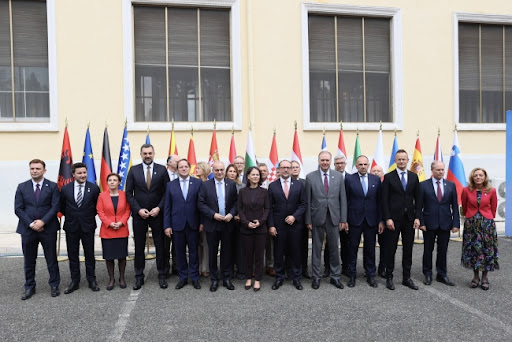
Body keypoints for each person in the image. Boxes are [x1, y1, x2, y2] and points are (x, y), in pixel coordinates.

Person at [125, 144, 170, 290]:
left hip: (158, 214)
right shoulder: (133, 170)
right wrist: (138, 210)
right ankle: (139, 276)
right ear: (141, 154)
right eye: (145, 153)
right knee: (139, 247)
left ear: (154, 153)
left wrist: (158, 208)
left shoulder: (162, 170)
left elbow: (166, 193)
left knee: (161, 246)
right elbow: (128, 193)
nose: (147, 155)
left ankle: (162, 275)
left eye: (150, 153)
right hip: (140, 216)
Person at [15, 159, 61, 300]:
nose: (34, 171)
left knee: (51, 258)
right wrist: (31, 224)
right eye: (32, 168)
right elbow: (18, 208)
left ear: (44, 170)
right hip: (28, 230)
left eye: (38, 168)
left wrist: (42, 222)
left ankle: (54, 285)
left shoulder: (52, 187)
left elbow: (55, 207)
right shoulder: (22, 187)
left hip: (48, 229)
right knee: (29, 260)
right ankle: (29, 287)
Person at [305, 151, 347, 290]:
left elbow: (343, 199)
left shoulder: (338, 176)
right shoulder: (310, 177)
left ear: (330, 162)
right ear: (318, 161)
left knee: (334, 248)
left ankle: (335, 277)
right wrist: (308, 219)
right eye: (322, 160)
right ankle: (316, 277)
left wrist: (343, 219)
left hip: (334, 217)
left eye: (327, 160)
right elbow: (308, 200)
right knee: (316, 249)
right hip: (317, 217)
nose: (324, 162)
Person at [382, 149, 421, 290]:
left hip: (409, 219)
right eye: (399, 159)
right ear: (395, 161)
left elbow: (418, 199)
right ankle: (389, 277)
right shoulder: (388, 177)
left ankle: (406, 278)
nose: (401, 161)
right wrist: (387, 218)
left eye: (404, 159)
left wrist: (417, 217)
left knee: (408, 249)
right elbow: (384, 200)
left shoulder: (413, 177)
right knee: (390, 248)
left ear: (408, 160)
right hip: (393, 219)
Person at [60, 162, 101, 294]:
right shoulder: (65, 189)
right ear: (73, 174)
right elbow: (62, 207)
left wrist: (85, 216)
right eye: (79, 173)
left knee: (89, 254)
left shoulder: (94, 188)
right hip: (71, 226)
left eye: (84, 173)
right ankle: (75, 281)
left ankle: (92, 280)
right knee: (73, 255)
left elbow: (96, 207)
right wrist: (74, 216)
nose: (83, 175)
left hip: (88, 226)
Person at [198, 161, 238, 291]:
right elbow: (201, 204)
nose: (219, 172)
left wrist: (231, 214)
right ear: (212, 171)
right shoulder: (205, 185)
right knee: (212, 253)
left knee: (227, 252)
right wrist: (213, 215)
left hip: (227, 224)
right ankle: (214, 279)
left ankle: (226, 278)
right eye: (217, 170)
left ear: (224, 171)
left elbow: (236, 203)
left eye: (221, 170)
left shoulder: (231, 184)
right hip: (212, 223)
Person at [344, 156, 384, 288]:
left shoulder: (376, 179)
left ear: (368, 165)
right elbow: (345, 201)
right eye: (360, 164)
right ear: (356, 166)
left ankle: (370, 274)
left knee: (370, 248)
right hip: (354, 220)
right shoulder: (349, 179)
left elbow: (379, 202)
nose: (362, 166)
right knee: (352, 248)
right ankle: (352, 275)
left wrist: (380, 221)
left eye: (365, 164)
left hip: (371, 220)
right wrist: (345, 220)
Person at [419, 161, 460, 286]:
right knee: (428, 250)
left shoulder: (451, 185)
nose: (441, 172)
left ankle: (442, 274)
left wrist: (456, 224)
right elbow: (419, 206)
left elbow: (454, 205)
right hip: (429, 223)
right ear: (432, 170)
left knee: (443, 250)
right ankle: (427, 273)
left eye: (442, 170)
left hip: (445, 223)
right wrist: (421, 222)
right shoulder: (423, 185)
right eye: (438, 170)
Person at [268, 160, 307, 290]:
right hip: (279, 226)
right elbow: (270, 208)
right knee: (278, 252)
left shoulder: (299, 185)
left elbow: (303, 204)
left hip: (295, 225)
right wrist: (271, 225)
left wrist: (294, 216)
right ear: (278, 169)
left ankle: (296, 277)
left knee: (295, 252)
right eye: (283, 167)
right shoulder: (272, 186)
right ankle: (279, 277)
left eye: (288, 168)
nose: (285, 170)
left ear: (291, 169)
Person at [164, 159, 203, 290]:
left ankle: (195, 278)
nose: (183, 169)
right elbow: (167, 207)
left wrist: (202, 222)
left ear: (189, 168)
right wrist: (167, 225)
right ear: (177, 169)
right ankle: (183, 277)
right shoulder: (171, 185)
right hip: (177, 224)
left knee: (193, 252)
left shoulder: (197, 183)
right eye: (181, 167)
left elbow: (201, 205)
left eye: (186, 166)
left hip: (193, 224)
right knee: (179, 253)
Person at [461, 167, 499, 291]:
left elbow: (493, 208)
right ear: (472, 177)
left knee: (487, 250)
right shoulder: (466, 190)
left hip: (487, 225)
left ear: (485, 177)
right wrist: (471, 217)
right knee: (474, 250)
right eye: (476, 175)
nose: (478, 177)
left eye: (480, 175)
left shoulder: (492, 191)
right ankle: (475, 277)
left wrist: (487, 218)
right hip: (471, 224)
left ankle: (484, 278)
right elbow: (465, 207)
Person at [96, 173, 131, 290]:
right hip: (107, 230)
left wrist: (121, 222)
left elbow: (127, 210)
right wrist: (109, 223)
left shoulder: (124, 195)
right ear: (107, 182)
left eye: (114, 180)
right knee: (109, 256)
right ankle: (111, 278)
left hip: (121, 229)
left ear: (119, 182)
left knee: (122, 256)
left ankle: (122, 277)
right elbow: (100, 211)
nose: (112, 182)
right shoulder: (102, 196)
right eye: (110, 180)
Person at [237, 166, 270, 291]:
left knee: (259, 255)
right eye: (253, 174)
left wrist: (261, 222)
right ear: (248, 177)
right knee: (248, 254)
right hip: (246, 228)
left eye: (258, 174)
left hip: (260, 229)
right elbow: (240, 208)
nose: (256, 176)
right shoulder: (242, 192)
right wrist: (246, 222)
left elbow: (267, 209)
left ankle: (257, 279)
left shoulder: (264, 192)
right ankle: (248, 278)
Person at [323, 154, 350, 278]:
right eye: (337, 163)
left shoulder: (351, 178)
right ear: (334, 165)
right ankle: (327, 268)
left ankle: (345, 267)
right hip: (331, 216)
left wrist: (346, 219)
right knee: (330, 243)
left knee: (346, 243)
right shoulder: (330, 178)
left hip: (348, 217)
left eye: (342, 163)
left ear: (345, 164)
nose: (340, 165)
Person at [226, 163, 246, 279]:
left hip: (239, 220)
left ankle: (241, 270)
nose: (232, 173)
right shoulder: (223, 185)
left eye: (234, 172)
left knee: (240, 246)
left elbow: (243, 203)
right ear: (226, 173)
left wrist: (239, 215)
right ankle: (229, 270)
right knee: (228, 246)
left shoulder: (242, 186)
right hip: (226, 220)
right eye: (230, 171)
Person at [291, 160, 311, 279]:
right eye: (292, 167)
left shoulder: (305, 183)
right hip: (289, 220)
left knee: (303, 246)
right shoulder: (285, 183)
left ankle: (304, 269)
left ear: (300, 169)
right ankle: (291, 269)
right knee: (291, 247)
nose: (294, 169)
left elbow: (308, 202)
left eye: (296, 167)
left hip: (302, 220)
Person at [195, 161, 211, 278]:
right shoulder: (194, 183)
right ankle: (198, 267)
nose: (196, 169)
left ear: (204, 170)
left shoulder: (209, 184)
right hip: (193, 217)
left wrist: (202, 221)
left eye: (198, 168)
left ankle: (205, 268)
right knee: (197, 244)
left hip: (205, 218)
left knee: (205, 243)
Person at [370, 164, 387, 278]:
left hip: (383, 219)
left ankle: (382, 267)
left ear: (382, 174)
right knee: (370, 245)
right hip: (369, 219)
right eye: (374, 171)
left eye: (378, 171)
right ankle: (370, 268)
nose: (376, 173)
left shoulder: (386, 185)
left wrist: (382, 220)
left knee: (384, 245)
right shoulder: (370, 183)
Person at [259, 162, 274, 276]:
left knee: (270, 244)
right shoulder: (252, 184)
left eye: (264, 170)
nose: (262, 172)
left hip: (270, 218)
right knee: (257, 245)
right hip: (256, 218)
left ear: (268, 172)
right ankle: (258, 267)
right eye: (260, 170)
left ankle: (270, 265)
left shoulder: (272, 185)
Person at [165, 154, 179, 276]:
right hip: (165, 212)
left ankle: (176, 267)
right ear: (170, 163)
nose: (179, 163)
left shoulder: (182, 175)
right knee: (165, 243)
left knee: (177, 243)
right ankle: (165, 268)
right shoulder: (162, 175)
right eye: (177, 161)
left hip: (178, 214)